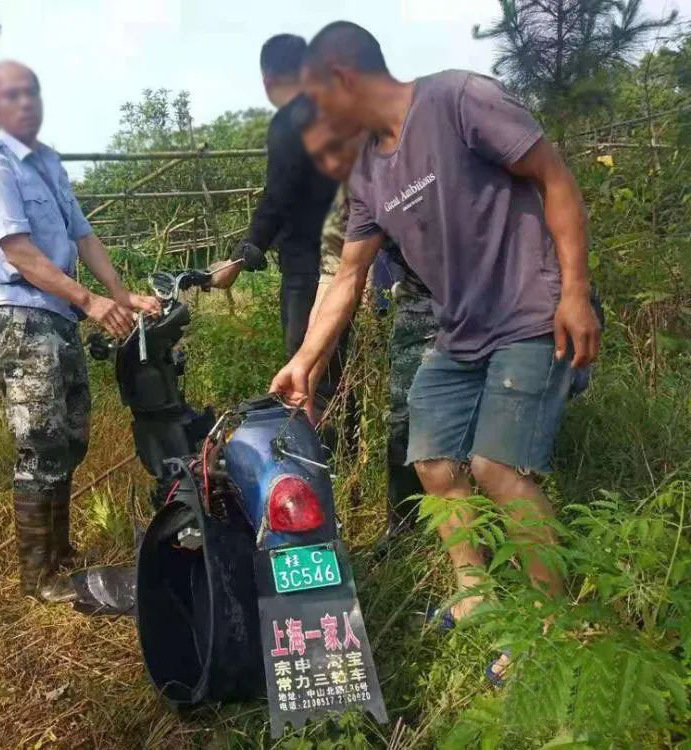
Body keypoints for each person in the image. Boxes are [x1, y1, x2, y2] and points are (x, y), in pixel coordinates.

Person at [271, 22, 601, 681]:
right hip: (459, 335)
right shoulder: (367, 171)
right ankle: (474, 593)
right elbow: (347, 276)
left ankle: (552, 625)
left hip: (531, 314)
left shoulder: (458, 100)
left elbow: (553, 175)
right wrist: (304, 359)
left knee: (496, 467)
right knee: (431, 460)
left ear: (341, 77)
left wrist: (577, 290)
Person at [0, 61, 160, 602]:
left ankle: (61, 551)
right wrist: (89, 300)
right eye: (12, 95)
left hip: (60, 320)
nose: (25, 103)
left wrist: (119, 294)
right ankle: (38, 576)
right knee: (39, 442)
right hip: (25, 319)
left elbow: (83, 235)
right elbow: (20, 253)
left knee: (69, 437)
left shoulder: (48, 164)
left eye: (32, 92)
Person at [297, 100, 439, 535]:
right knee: (406, 421)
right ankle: (406, 531)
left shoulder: (434, 152)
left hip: (491, 296)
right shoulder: (350, 195)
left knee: (489, 444)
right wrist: (307, 369)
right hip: (420, 303)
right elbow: (335, 280)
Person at [211, 34, 340, 400]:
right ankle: (346, 447)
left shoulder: (290, 121)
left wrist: (242, 254)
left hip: (307, 265)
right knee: (337, 364)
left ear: (268, 79)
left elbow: (279, 196)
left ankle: (317, 451)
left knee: (308, 369)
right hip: (350, 261)